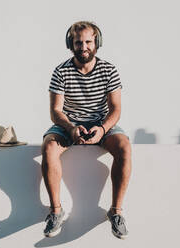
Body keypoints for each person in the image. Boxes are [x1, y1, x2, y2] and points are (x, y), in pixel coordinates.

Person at [41, 21, 132, 239]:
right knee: (49, 147)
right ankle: (56, 211)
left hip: (101, 122)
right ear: (70, 44)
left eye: (88, 42)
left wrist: (102, 129)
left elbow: (116, 109)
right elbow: (55, 111)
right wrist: (71, 128)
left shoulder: (109, 70)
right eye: (78, 42)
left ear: (97, 43)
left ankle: (116, 212)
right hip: (69, 124)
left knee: (124, 147)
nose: (83, 47)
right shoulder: (60, 71)